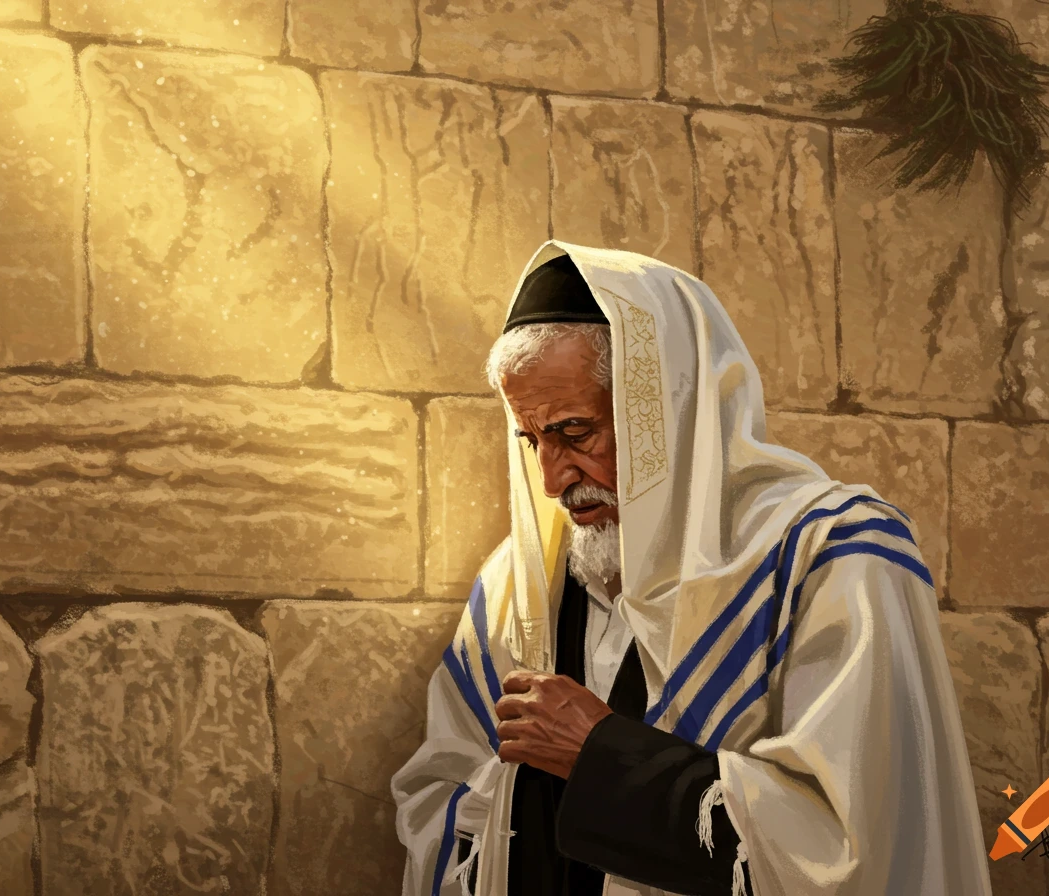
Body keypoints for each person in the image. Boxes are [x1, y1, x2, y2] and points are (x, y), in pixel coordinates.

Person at [391, 243, 993, 896]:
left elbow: (863, 843)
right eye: (532, 440)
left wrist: (603, 758)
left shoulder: (829, 555)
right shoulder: (516, 587)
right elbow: (436, 794)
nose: (553, 479)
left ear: (666, 410)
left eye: (576, 432)